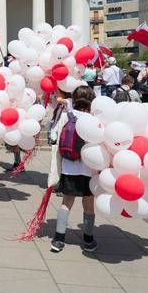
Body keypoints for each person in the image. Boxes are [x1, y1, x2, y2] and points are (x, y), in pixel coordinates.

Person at [48, 85, 98, 253]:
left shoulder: (66, 114)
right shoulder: (94, 119)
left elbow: (54, 135)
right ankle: (88, 239)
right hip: (89, 167)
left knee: (66, 202)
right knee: (89, 203)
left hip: (69, 166)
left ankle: (58, 238)